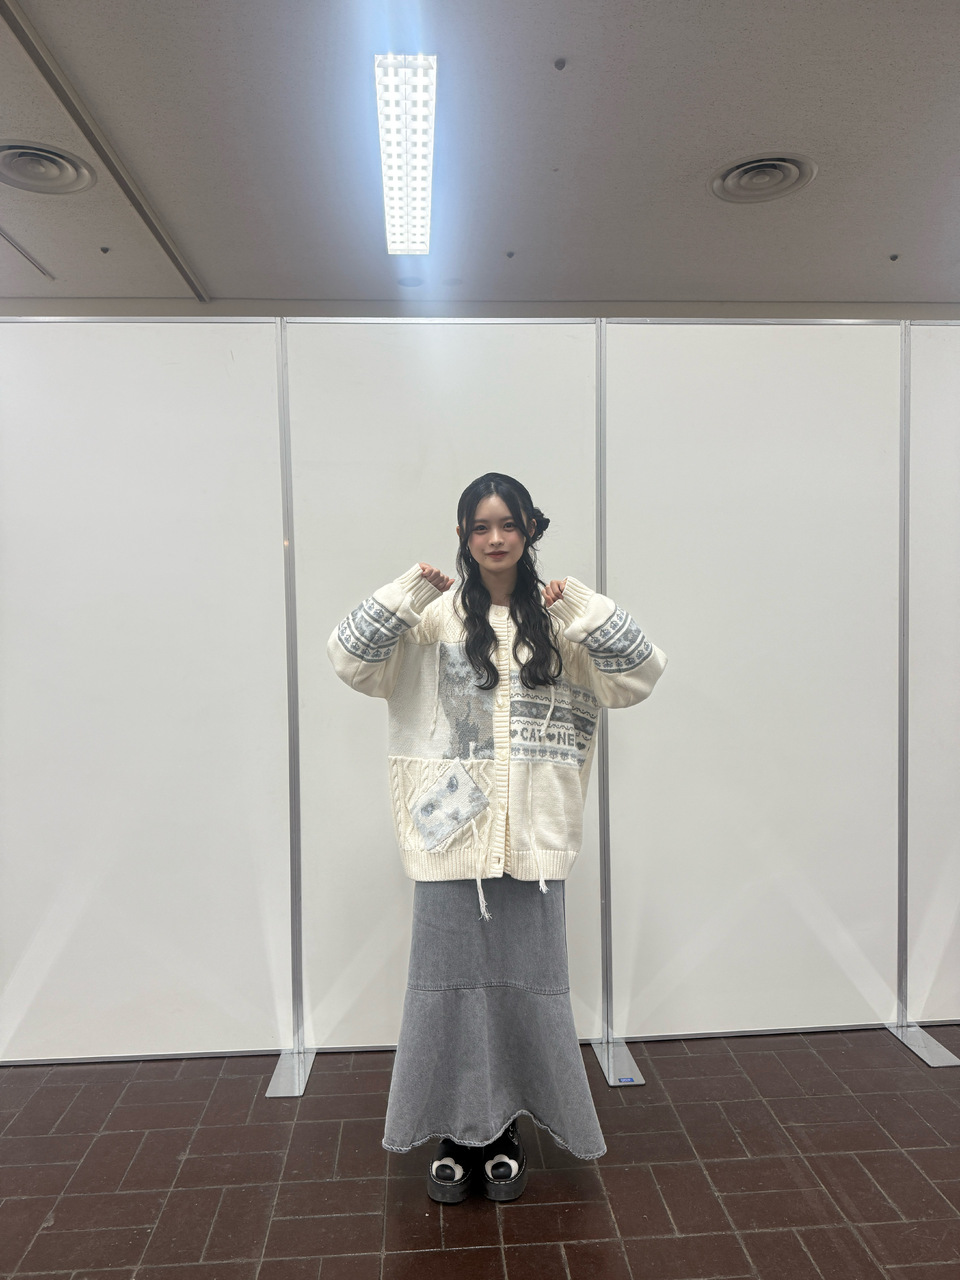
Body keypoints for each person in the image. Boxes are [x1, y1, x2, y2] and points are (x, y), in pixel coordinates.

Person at [327, 471, 666, 1203]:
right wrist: (406, 592)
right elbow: (349, 659)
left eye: (508, 524)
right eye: (480, 526)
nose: (495, 538)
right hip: (449, 842)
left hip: (534, 844)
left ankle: (506, 1128)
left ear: (530, 529)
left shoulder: (560, 625)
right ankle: (456, 1133)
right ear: (462, 535)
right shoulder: (434, 621)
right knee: (446, 997)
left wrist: (582, 607)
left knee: (527, 996)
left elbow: (641, 675)